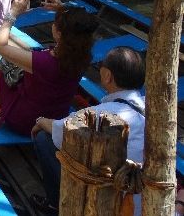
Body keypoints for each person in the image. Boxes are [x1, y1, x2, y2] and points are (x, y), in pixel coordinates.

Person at [30, 46, 146, 215]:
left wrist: (41, 121)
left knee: (43, 138)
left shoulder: (102, 113)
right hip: (142, 201)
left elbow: (60, 131)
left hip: (111, 203)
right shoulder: (150, 109)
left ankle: (55, 205)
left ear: (107, 75)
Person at [0, 0, 98, 137]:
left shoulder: (45, 62)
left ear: (59, 34)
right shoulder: (84, 55)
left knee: (4, 62)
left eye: (55, 23)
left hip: (25, 122)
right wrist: (61, 9)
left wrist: (12, 13)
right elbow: (77, 29)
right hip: (57, 117)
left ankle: (1, 111)